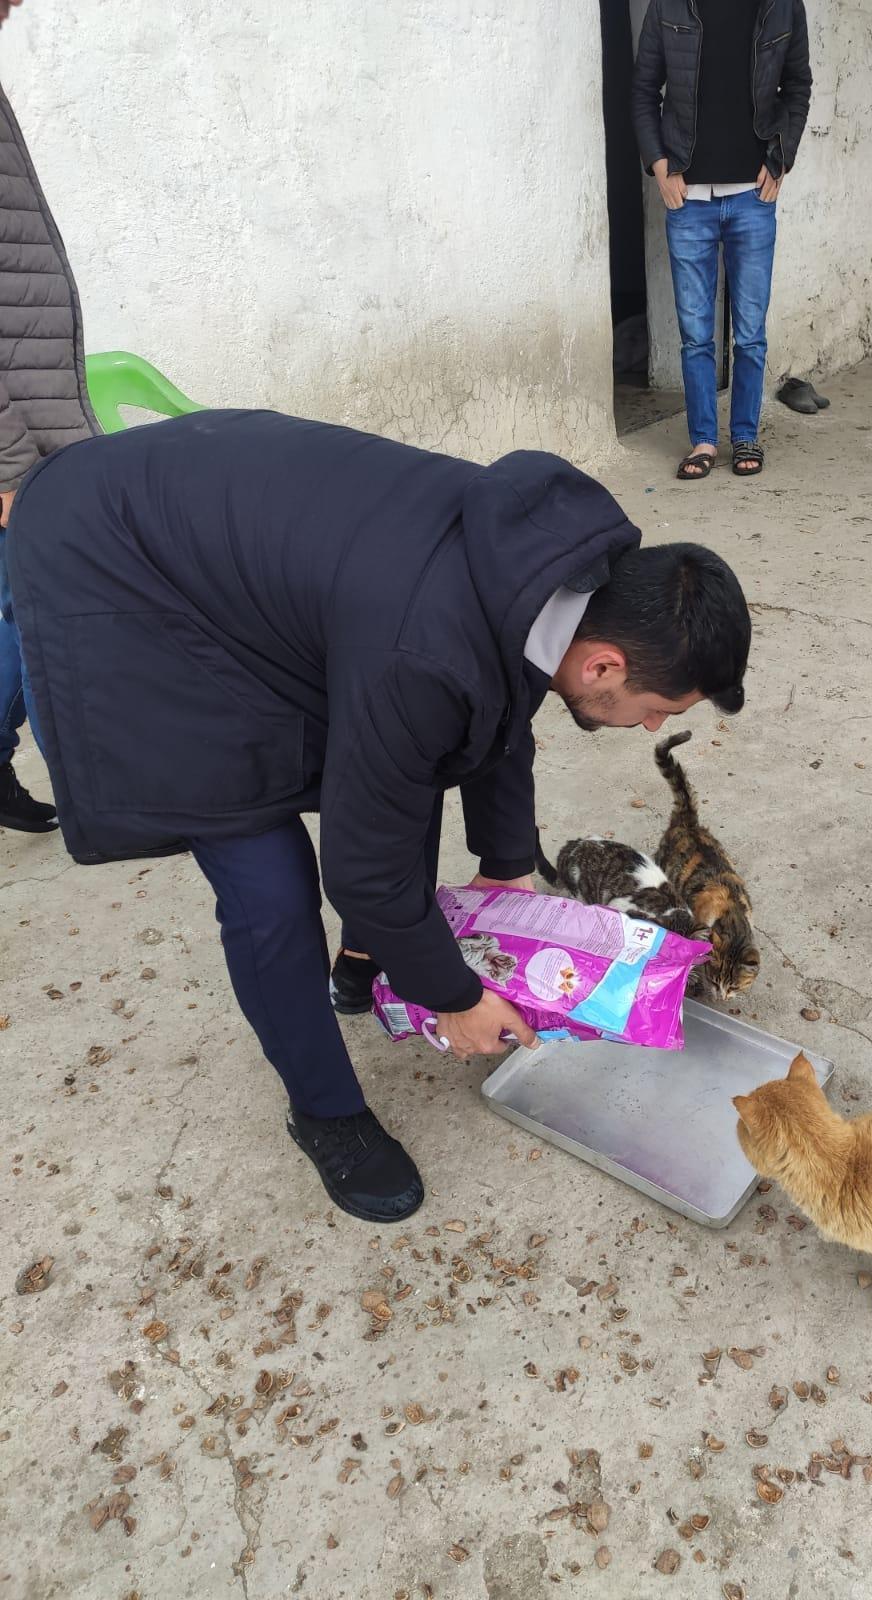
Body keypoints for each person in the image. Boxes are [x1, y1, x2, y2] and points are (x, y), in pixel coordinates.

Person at [8, 409, 751, 1222]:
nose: (649, 727)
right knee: (270, 886)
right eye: (653, 709)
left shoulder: (564, 573)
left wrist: (505, 863)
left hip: (219, 530)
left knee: (403, 757)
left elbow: (492, 712)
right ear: (605, 663)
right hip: (114, 564)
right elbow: (366, 858)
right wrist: (454, 997)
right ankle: (325, 1111)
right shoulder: (423, 647)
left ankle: (367, 957)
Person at [632, 0, 811, 482]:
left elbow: (797, 86)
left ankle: (746, 434)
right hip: (688, 197)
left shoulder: (781, 5)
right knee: (695, 335)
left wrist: (782, 159)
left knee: (750, 332)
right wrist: (658, 166)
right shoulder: (669, 4)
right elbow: (644, 88)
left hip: (753, 196)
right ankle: (704, 439)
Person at [0, 0, 98, 831]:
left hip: (36, 424)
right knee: (40, 616)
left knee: (19, 611)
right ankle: (106, 788)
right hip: (14, 446)